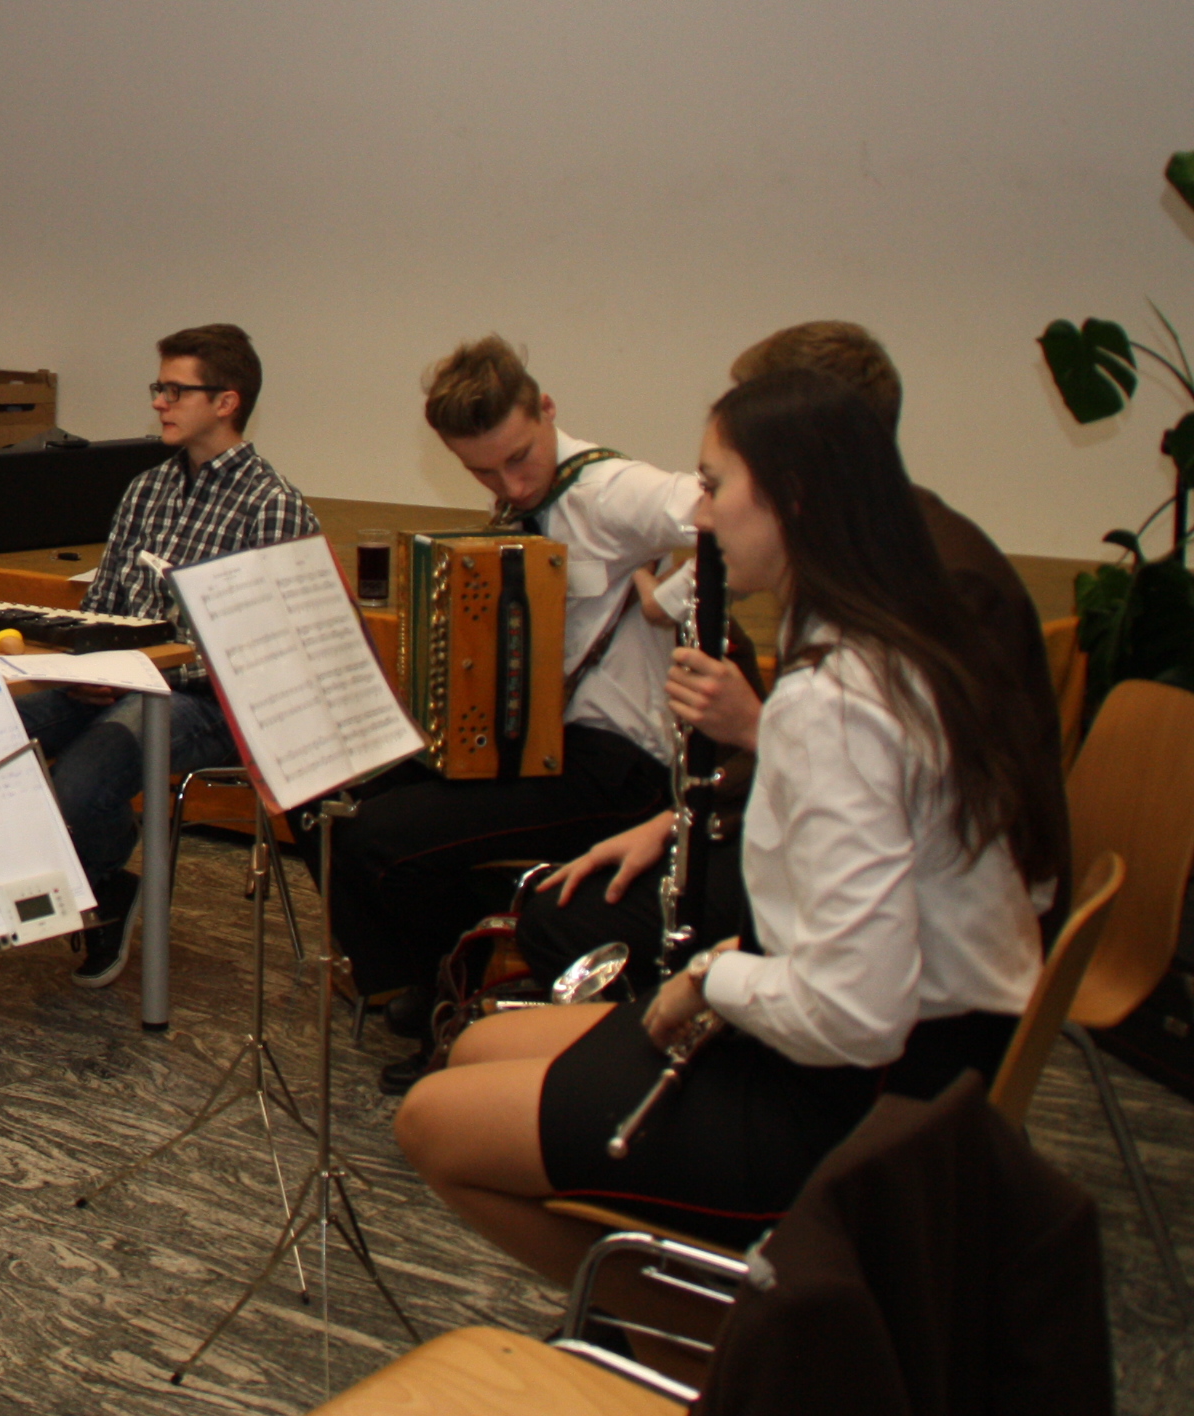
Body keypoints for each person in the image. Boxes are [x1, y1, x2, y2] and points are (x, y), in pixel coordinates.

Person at [394, 368, 1067, 1273]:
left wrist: (711, 983)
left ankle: (698, 1333)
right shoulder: (895, 628)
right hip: (928, 1048)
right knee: (478, 1045)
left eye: (713, 486)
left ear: (793, 500)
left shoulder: (836, 698)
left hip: (868, 1100)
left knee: (432, 1122)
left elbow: (853, 1011)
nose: (699, 517)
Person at [519, 321, 1060, 998]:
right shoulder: (851, 557)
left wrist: (752, 727)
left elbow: (907, 797)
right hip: (860, 867)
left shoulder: (944, 582)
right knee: (573, 903)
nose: (708, 509)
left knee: (567, 923)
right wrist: (676, 822)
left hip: (942, 931)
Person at [335, 337, 699, 1085]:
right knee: (336, 803)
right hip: (534, 744)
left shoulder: (610, 490)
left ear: (547, 411)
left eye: (520, 459)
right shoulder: (524, 499)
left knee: (384, 838)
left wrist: (669, 600)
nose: (512, 483)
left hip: (617, 764)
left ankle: (452, 1014)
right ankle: (430, 979)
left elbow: (744, 514)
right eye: (483, 471)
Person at [15, 324, 320, 989]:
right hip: (120, 681)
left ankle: (105, 888)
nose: (159, 402)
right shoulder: (146, 489)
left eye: (176, 391)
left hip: (207, 703)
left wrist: (145, 671)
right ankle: (50, 887)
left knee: (84, 781)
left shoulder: (271, 507)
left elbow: (265, 660)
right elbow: (101, 605)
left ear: (226, 402)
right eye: (159, 387)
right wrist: (87, 668)